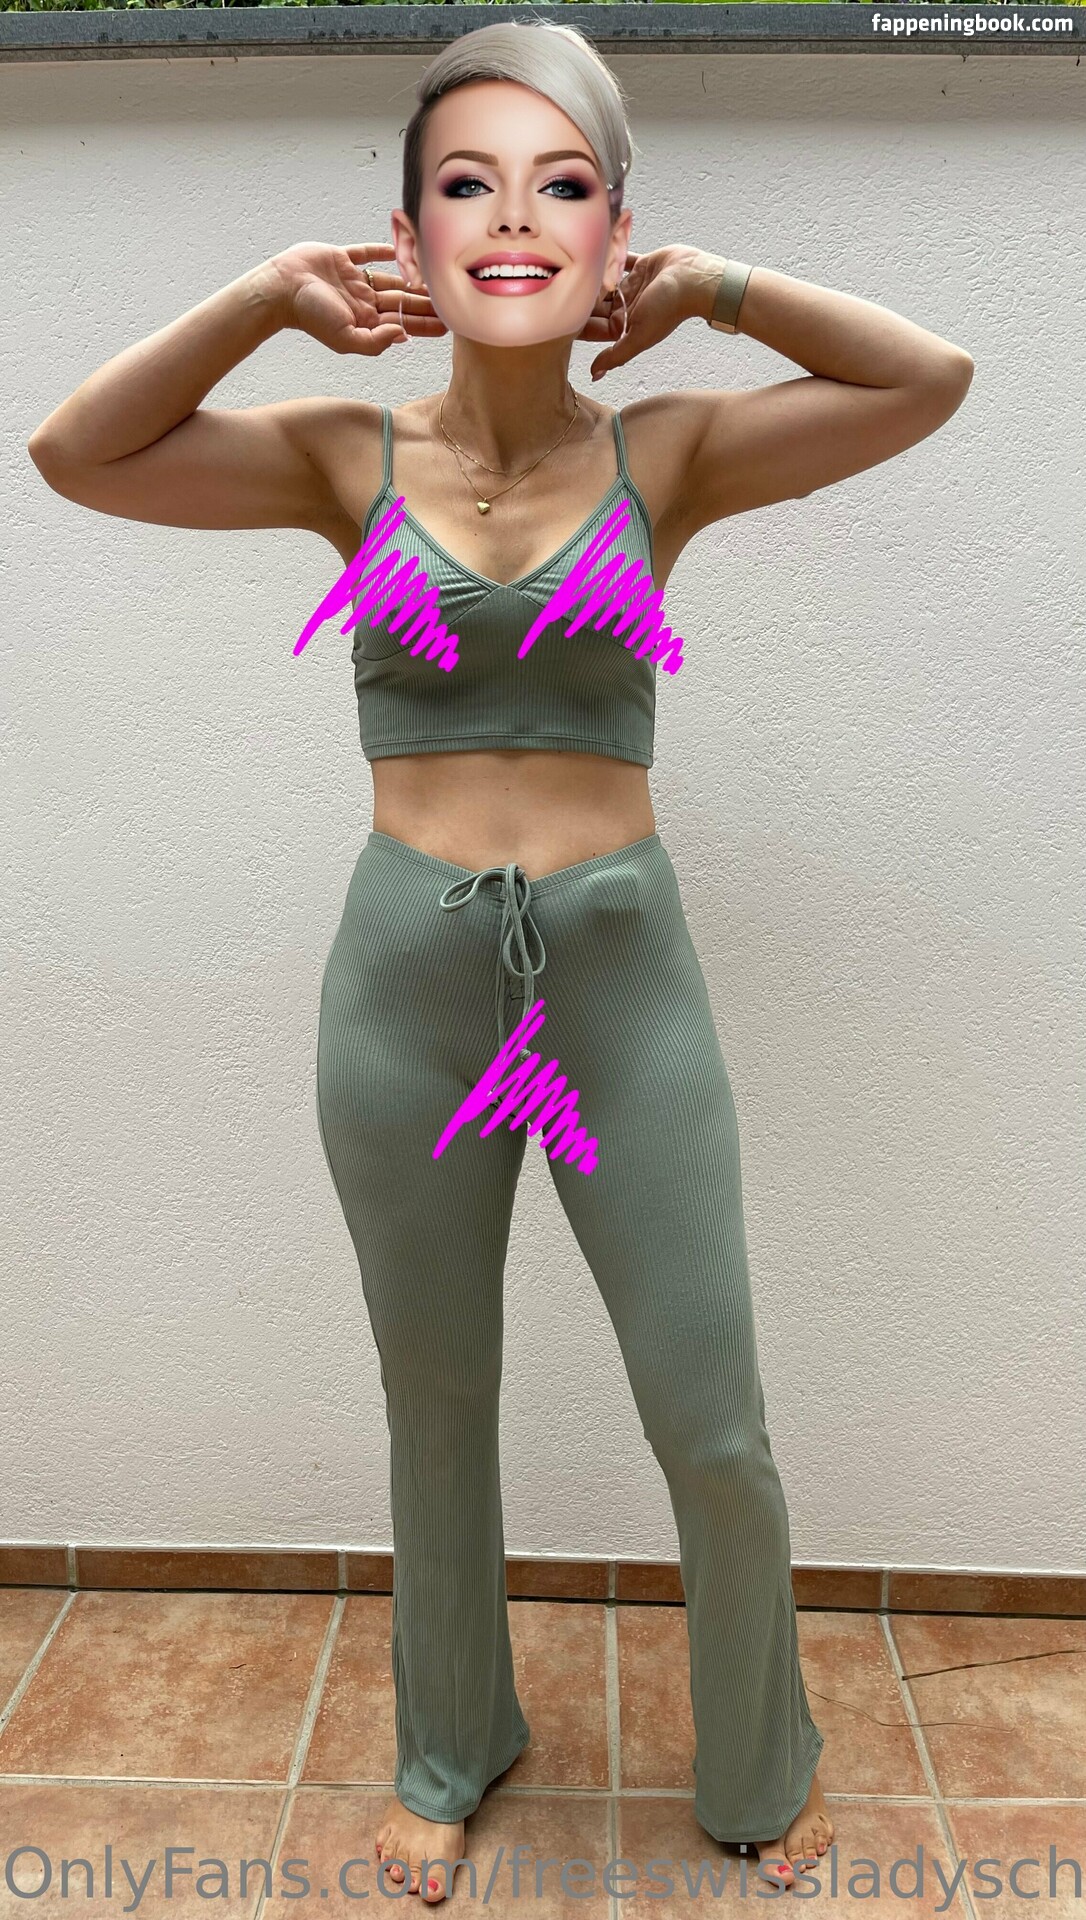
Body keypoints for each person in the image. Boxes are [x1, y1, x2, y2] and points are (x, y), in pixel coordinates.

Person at [27, 18, 973, 1905]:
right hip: (409, 984)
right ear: (410, 235)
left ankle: (758, 1762)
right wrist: (263, 299)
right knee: (438, 1395)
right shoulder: (341, 453)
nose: (514, 217)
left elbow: (925, 377)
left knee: (711, 1420)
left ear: (612, 230)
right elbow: (75, 452)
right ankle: (450, 1746)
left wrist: (710, 287)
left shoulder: (670, 450)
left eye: (563, 185)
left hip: (621, 982)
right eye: (467, 183)